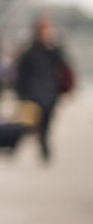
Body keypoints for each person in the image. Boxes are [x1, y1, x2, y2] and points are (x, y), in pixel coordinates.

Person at [15, 15, 73, 162]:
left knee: (47, 122)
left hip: (50, 92)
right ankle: (16, 145)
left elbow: (65, 68)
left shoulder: (55, 50)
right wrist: (21, 94)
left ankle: (43, 145)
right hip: (33, 93)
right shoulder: (29, 51)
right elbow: (21, 74)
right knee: (30, 124)